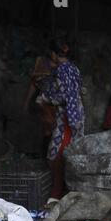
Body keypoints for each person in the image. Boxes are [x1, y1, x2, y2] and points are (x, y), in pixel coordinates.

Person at [40, 39, 85, 205]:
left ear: (53, 54)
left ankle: (57, 195)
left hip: (67, 118)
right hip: (76, 115)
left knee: (57, 155)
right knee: (71, 153)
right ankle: (66, 193)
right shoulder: (74, 68)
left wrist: (45, 98)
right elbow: (78, 91)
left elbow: (63, 96)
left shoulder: (60, 71)